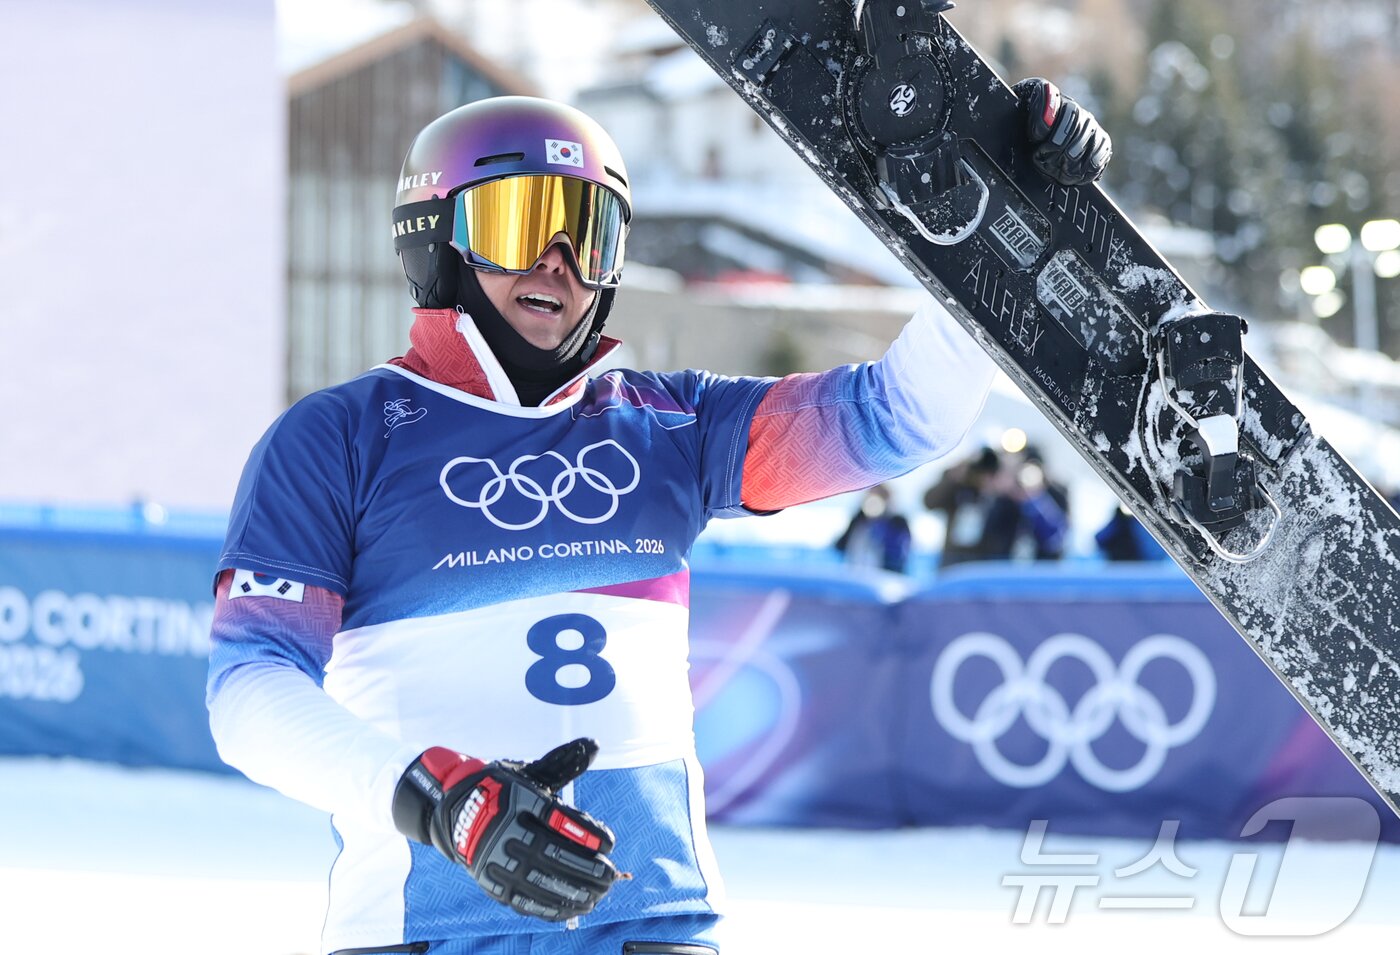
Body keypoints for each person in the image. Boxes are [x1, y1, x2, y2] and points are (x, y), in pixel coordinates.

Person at [207, 83, 1110, 955]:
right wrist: (438, 798)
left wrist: (999, 233)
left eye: (590, 234)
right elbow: (249, 692)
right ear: (436, 237)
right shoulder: (337, 438)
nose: (558, 260)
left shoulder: (671, 424)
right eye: (524, 223)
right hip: (421, 926)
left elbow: (899, 415)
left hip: (653, 923)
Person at [834, 484, 913, 573]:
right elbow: (840, 545)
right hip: (856, 573)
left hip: (885, 575)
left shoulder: (897, 521)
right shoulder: (859, 520)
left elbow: (899, 552)